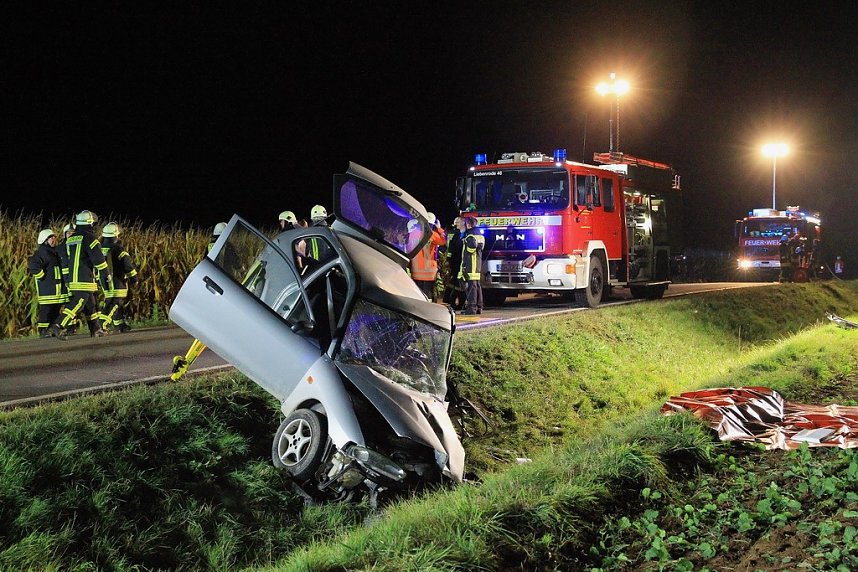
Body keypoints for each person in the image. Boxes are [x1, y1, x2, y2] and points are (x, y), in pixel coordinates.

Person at [48, 210, 111, 339]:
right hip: (84, 278)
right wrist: (106, 275)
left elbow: (65, 260)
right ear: (90, 223)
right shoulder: (90, 239)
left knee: (90, 304)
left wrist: (67, 279)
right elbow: (99, 260)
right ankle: (58, 326)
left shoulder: (71, 239)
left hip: (73, 277)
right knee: (79, 301)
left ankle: (96, 329)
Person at [99, 222, 138, 333]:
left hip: (104, 280)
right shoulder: (117, 248)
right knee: (116, 302)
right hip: (117, 279)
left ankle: (120, 325)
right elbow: (127, 265)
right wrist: (134, 278)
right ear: (115, 235)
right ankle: (102, 324)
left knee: (111, 300)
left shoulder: (100, 248)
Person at [28, 229, 67, 337]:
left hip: (57, 289)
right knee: (46, 311)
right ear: (44, 240)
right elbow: (34, 265)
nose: (54, 240)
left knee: (55, 310)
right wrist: (42, 277)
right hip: (48, 289)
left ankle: (52, 330)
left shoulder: (54, 252)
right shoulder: (42, 252)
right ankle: (44, 330)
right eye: (51, 238)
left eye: (54, 237)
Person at [409, 213, 446, 301]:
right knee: (428, 293)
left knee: (418, 293)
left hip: (416, 269)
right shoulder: (432, 234)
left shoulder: (413, 233)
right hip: (428, 270)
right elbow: (444, 240)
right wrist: (439, 228)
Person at [460, 217, 485, 315]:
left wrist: (465, 265)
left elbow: (470, 250)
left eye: (464, 224)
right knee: (477, 285)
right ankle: (479, 306)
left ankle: (471, 308)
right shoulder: (480, 234)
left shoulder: (470, 235)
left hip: (471, 264)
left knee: (471, 286)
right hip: (477, 263)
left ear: (468, 224)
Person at [442, 216, 466, 310]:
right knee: (456, 282)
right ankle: (455, 301)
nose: (457, 225)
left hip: (457, 261)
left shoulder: (455, 233)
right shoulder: (456, 234)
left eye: (458, 223)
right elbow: (453, 247)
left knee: (455, 282)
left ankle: (450, 300)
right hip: (456, 261)